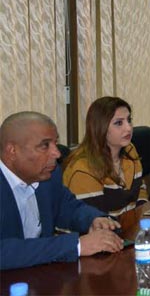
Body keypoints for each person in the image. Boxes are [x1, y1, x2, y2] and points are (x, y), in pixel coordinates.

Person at [0, 112, 123, 270]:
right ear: (12, 151)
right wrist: (76, 245)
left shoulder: (49, 174)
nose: (57, 153)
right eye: (45, 145)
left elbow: (67, 207)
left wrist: (93, 219)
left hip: (39, 273)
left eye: (55, 143)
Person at [63, 97, 148, 230]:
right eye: (119, 123)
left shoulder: (129, 150)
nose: (128, 128)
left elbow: (140, 188)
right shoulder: (83, 168)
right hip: (96, 236)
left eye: (129, 120)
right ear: (100, 127)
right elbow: (96, 222)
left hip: (127, 228)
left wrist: (141, 217)